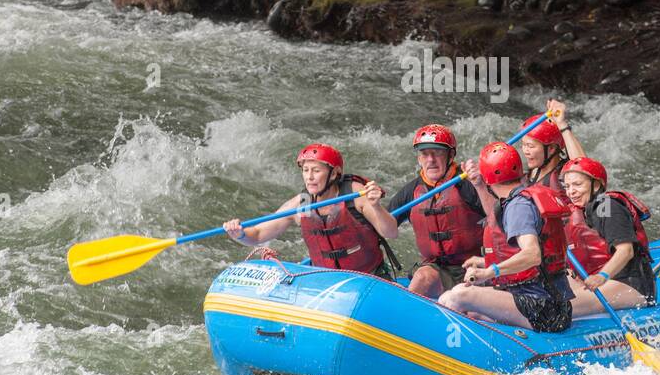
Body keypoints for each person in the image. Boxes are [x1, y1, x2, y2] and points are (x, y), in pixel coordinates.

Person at [438, 142, 573, 333]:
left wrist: (490, 271)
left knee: (458, 296)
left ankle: (450, 353)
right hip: (546, 302)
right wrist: (485, 261)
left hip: (543, 309)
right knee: (455, 303)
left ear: (488, 179)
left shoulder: (518, 206)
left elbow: (533, 255)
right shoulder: (521, 197)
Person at [223, 143, 399, 276]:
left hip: (369, 277)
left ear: (335, 173)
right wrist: (240, 234)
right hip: (325, 280)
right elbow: (259, 234)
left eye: (316, 170)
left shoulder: (354, 195)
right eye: (306, 170)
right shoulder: (303, 204)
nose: (310, 177)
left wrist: (376, 206)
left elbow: (391, 232)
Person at [388, 124, 496, 299]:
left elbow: (499, 217)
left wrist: (480, 186)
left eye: (437, 153)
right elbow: (385, 228)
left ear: (451, 155)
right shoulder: (412, 191)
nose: (430, 160)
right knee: (422, 277)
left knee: (470, 304)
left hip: (474, 265)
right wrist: (373, 206)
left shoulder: (468, 183)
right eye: (424, 154)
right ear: (419, 159)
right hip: (436, 268)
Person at [559, 157, 658, 313]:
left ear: (596, 184)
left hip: (630, 285)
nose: (571, 191)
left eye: (577, 185)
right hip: (601, 281)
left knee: (559, 309)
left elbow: (626, 250)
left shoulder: (608, 206)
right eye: (567, 186)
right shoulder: (581, 211)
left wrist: (601, 276)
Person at [518, 99, 584, 193]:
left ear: (552, 148)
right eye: (523, 145)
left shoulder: (564, 177)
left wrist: (561, 124)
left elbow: (583, 166)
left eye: (530, 146)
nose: (525, 151)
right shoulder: (533, 170)